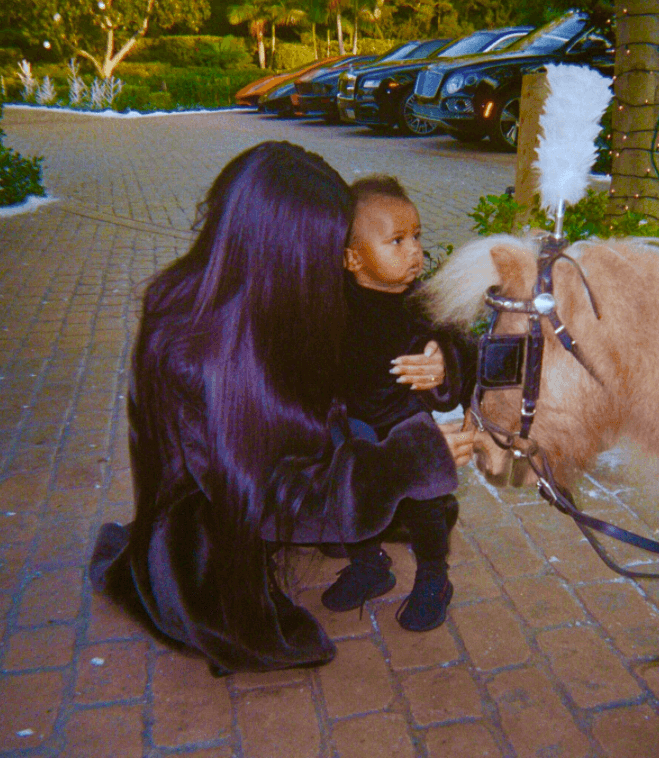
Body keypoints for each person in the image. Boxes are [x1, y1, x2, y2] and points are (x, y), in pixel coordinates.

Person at [89, 143, 472, 674]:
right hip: (216, 531)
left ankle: (389, 550)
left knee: (392, 498)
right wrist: (402, 461)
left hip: (289, 479)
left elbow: (418, 329)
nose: (337, 265)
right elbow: (268, 494)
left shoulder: (254, 294)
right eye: (327, 251)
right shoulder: (203, 355)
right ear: (286, 255)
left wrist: (445, 361)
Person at [321, 174, 476, 632]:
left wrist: (446, 362)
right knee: (349, 497)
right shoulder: (332, 304)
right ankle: (370, 566)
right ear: (352, 258)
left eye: (417, 237)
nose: (414, 251)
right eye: (396, 240)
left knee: (426, 505)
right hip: (352, 434)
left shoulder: (427, 305)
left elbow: (466, 348)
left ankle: (434, 577)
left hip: (411, 435)